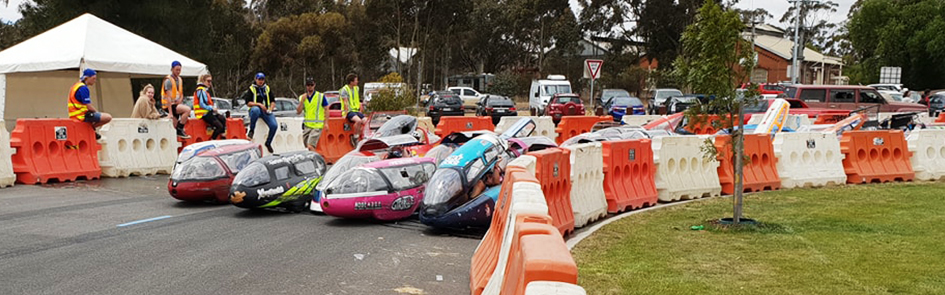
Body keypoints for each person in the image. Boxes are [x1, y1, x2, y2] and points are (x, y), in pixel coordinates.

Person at [67, 68, 112, 139]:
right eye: (93, 78)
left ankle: (90, 128)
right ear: (87, 78)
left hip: (74, 114)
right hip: (81, 115)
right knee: (107, 117)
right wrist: (97, 113)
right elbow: (88, 106)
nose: (95, 81)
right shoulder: (83, 88)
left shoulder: (76, 86)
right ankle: (90, 128)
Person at [240, 72, 278, 153]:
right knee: (256, 110)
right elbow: (248, 103)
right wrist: (259, 104)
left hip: (266, 110)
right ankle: (252, 130)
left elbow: (273, 101)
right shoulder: (251, 89)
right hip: (255, 109)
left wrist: (270, 109)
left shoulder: (267, 88)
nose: (260, 81)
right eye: (259, 79)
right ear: (256, 79)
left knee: (274, 125)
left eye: (262, 79)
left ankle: (268, 142)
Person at [296, 77, 329, 152]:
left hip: (317, 126)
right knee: (307, 145)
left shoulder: (320, 96)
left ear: (314, 85)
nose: (310, 87)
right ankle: (315, 157)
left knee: (310, 146)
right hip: (307, 126)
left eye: (311, 85)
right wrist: (302, 102)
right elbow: (298, 112)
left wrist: (326, 123)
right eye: (308, 85)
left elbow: (326, 109)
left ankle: (314, 161)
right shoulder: (302, 97)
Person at [163, 61, 192, 139]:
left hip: (176, 103)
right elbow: (168, 97)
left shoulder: (179, 79)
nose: (178, 72)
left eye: (179, 70)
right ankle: (180, 128)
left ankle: (179, 129)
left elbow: (181, 93)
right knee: (187, 110)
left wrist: (180, 99)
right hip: (169, 105)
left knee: (174, 126)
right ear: (172, 69)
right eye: (176, 70)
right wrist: (170, 113)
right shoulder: (168, 81)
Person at [194, 74, 227, 140]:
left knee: (222, 119)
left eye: (210, 81)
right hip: (203, 114)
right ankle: (212, 139)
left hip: (208, 112)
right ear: (203, 81)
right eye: (208, 81)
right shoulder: (200, 90)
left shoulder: (205, 90)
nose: (210, 83)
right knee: (219, 127)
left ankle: (223, 135)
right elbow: (202, 104)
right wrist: (211, 108)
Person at [340, 73, 364, 146]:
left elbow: (357, 100)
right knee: (358, 121)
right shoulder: (345, 90)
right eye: (356, 80)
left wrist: (360, 108)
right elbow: (345, 102)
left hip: (356, 110)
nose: (357, 82)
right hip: (349, 112)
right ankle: (355, 137)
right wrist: (346, 113)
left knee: (366, 121)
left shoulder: (356, 88)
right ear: (351, 82)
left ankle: (363, 137)